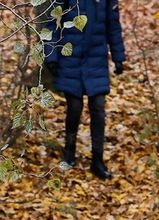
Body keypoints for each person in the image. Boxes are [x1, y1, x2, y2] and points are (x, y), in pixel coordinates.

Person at [43, 0, 127, 179]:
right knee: (74, 107)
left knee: (98, 107)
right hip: (69, 57)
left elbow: (113, 25)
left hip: (96, 60)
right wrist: (51, 55)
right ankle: (69, 151)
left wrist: (118, 56)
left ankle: (97, 159)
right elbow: (52, 22)